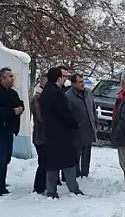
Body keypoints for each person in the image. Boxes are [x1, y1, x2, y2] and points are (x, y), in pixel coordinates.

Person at [38, 67, 82, 198]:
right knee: (68, 161)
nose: (65, 80)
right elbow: (64, 113)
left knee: (52, 162)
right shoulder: (56, 93)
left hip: (49, 131)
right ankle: (73, 189)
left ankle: (51, 190)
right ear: (59, 78)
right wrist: (74, 124)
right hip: (61, 132)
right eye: (64, 77)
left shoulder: (45, 92)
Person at [0, 67, 25, 197]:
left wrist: (20, 108)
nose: (13, 79)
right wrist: (13, 111)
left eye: (13, 76)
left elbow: (19, 103)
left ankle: (1, 185)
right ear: (2, 78)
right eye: (10, 76)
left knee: (5, 159)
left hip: (8, 131)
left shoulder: (12, 93)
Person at [65, 73, 98, 178]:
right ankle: (75, 173)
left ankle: (85, 173)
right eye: (80, 82)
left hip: (89, 128)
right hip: (77, 131)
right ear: (73, 84)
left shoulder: (88, 92)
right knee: (75, 154)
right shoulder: (68, 96)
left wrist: (95, 122)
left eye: (83, 81)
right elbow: (68, 114)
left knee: (87, 153)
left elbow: (93, 108)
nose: (82, 84)